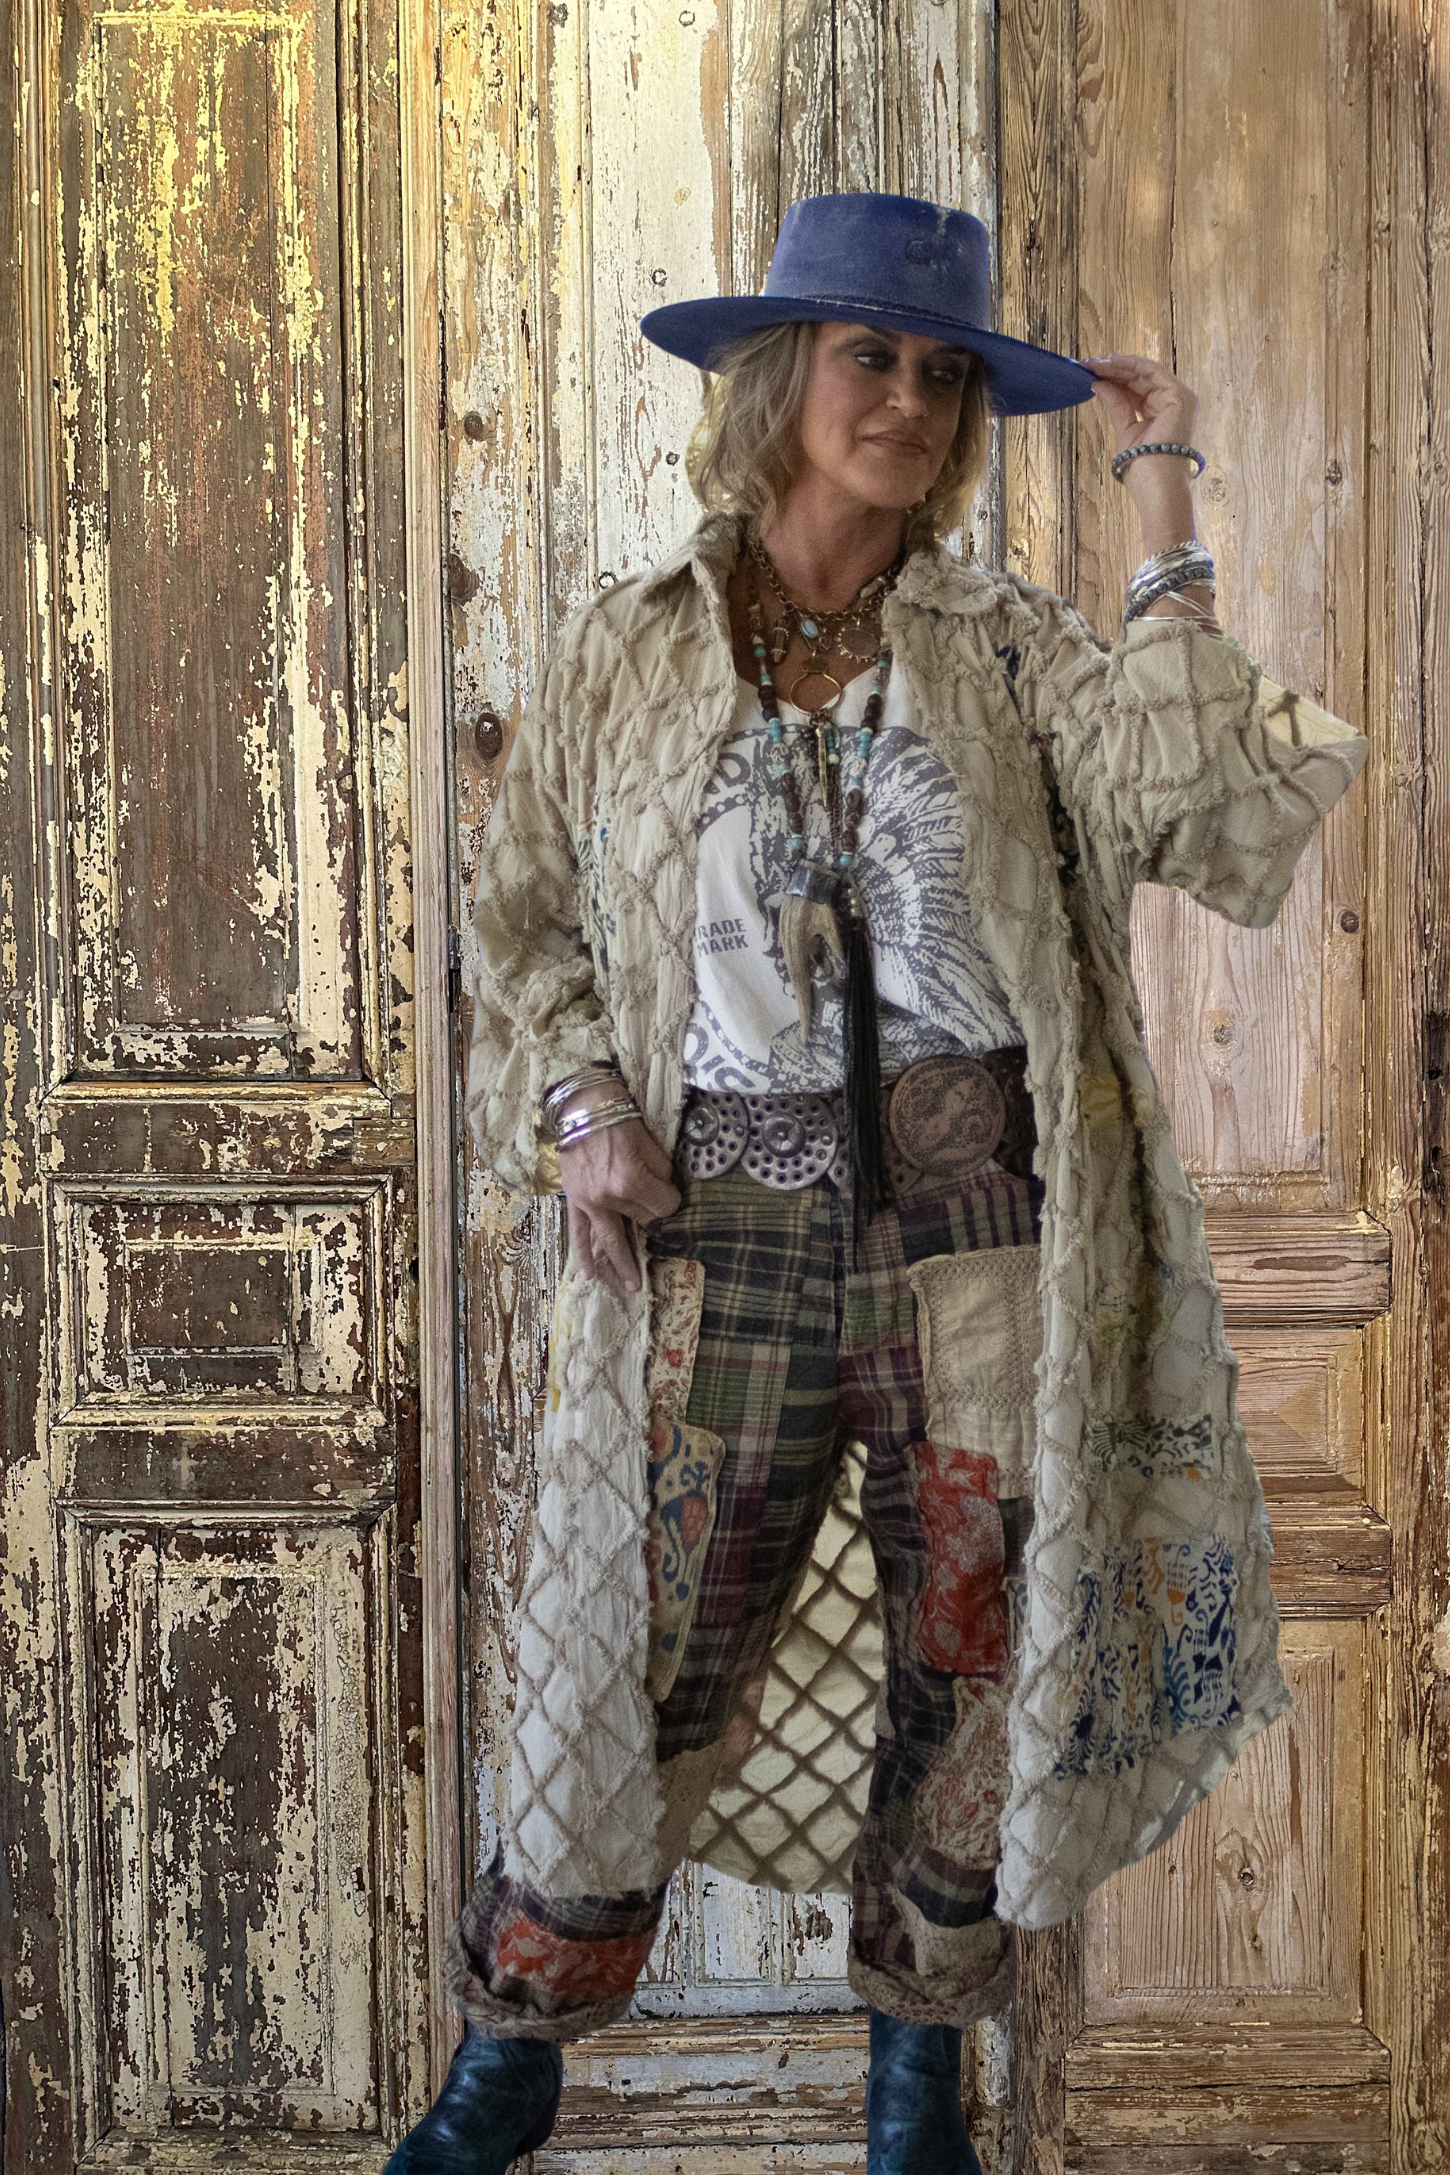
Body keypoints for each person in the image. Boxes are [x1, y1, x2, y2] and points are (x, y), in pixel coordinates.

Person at [384, 193, 1369, 2174]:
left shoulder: (1005, 644)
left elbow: (1196, 805)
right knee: (638, 1656)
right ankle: (513, 2050)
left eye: (939, 373)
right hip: (714, 1238)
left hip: (975, 1234)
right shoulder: (625, 648)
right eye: (869, 356)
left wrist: (1161, 487)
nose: (908, 398)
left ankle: (918, 2070)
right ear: (779, 377)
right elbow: (518, 919)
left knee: (974, 1650)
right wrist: (578, 1105)